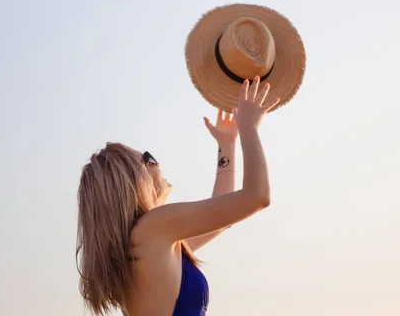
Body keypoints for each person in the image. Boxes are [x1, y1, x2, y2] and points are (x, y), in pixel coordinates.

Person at [76, 77, 280, 315]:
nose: (158, 163)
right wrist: (249, 128)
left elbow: (223, 218)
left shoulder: (147, 242)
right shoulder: (154, 228)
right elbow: (257, 196)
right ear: (131, 181)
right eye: (148, 158)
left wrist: (227, 143)